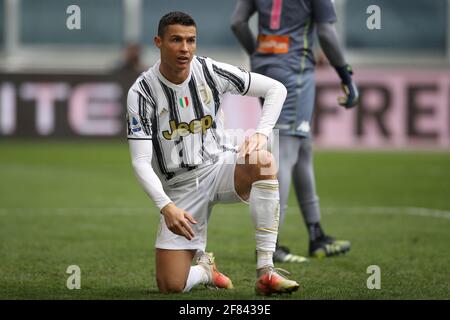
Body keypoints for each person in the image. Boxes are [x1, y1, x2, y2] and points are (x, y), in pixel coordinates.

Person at [127, 11, 299, 295]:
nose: (185, 48)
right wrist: (165, 206)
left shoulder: (208, 71)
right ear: (158, 42)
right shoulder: (142, 92)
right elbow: (140, 161)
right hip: (180, 188)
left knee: (263, 159)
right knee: (171, 285)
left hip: (220, 167)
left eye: (191, 41)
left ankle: (266, 272)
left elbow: (275, 89)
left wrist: (261, 133)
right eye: (176, 40)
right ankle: (206, 270)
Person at [231, 0, 358, 263]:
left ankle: (316, 234)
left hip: (264, 68)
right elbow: (325, 32)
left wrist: (258, 54)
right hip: (293, 70)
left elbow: (238, 22)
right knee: (287, 152)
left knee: (302, 147)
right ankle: (271, 244)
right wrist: (346, 75)